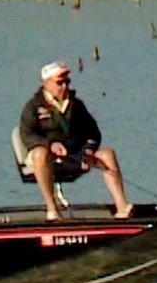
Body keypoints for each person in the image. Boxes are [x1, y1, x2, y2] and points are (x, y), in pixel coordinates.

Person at [19, 60, 134, 221]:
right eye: (59, 83)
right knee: (40, 154)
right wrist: (50, 145)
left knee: (107, 154)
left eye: (67, 82)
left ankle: (122, 208)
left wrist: (88, 150)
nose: (64, 86)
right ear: (45, 83)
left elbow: (93, 132)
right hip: (47, 155)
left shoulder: (76, 105)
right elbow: (27, 135)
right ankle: (52, 210)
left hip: (75, 153)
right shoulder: (33, 107)